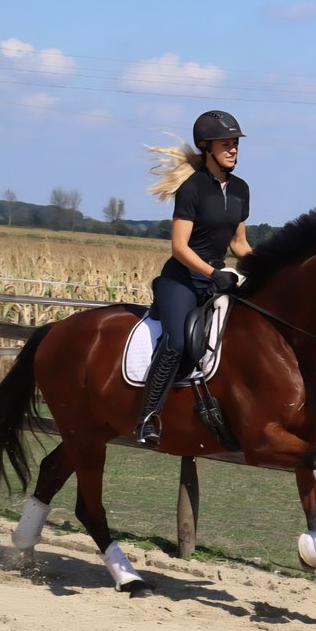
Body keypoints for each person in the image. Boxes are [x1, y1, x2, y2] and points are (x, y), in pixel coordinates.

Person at [135, 110, 253, 445]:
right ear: (206, 147)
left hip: (219, 281)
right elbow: (179, 248)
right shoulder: (193, 188)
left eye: (235, 144)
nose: (233, 149)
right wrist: (214, 273)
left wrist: (270, 266)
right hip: (183, 280)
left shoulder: (242, 189)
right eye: (226, 144)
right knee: (178, 342)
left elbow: (239, 243)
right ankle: (147, 418)